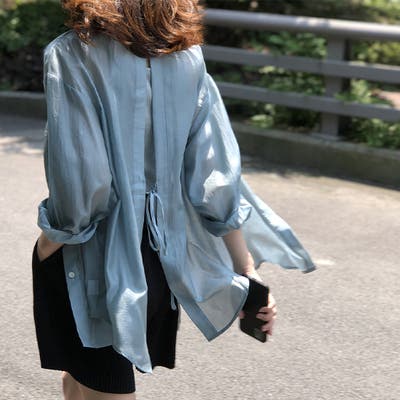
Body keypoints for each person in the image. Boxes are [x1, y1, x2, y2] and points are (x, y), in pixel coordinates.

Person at [32, 1, 315, 399]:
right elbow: (215, 177)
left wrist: (50, 241)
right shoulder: (187, 57)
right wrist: (246, 270)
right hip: (158, 261)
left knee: (95, 381)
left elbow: (83, 181)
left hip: (90, 256)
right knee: (80, 379)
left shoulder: (70, 53)